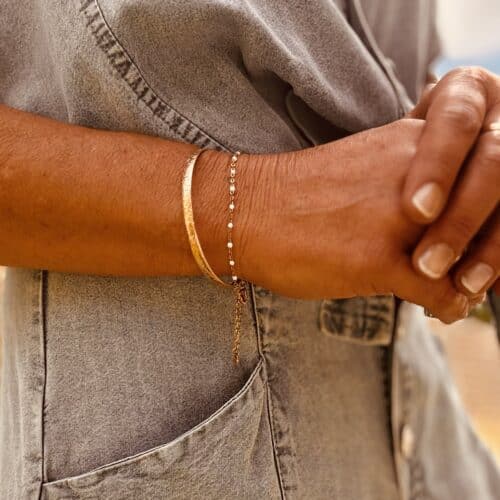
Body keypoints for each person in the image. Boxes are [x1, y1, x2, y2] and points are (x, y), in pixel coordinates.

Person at [0, 0, 499, 498]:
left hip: (417, 430)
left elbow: (389, 72)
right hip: (182, 453)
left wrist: (462, 146)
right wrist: (254, 204)